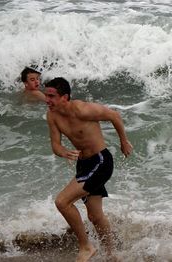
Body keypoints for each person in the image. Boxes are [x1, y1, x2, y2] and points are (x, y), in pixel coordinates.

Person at [44, 77, 134, 262]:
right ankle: (112, 255)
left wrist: (123, 141)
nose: (47, 100)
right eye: (47, 95)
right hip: (84, 165)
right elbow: (55, 145)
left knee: (62, 202)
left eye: (51, 96)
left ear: (64, 97)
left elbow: (114, 115)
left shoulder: (81, 109)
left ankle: (86, 246)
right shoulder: (52, 115)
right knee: (95, 216)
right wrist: (64, 152)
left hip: (100, 161)